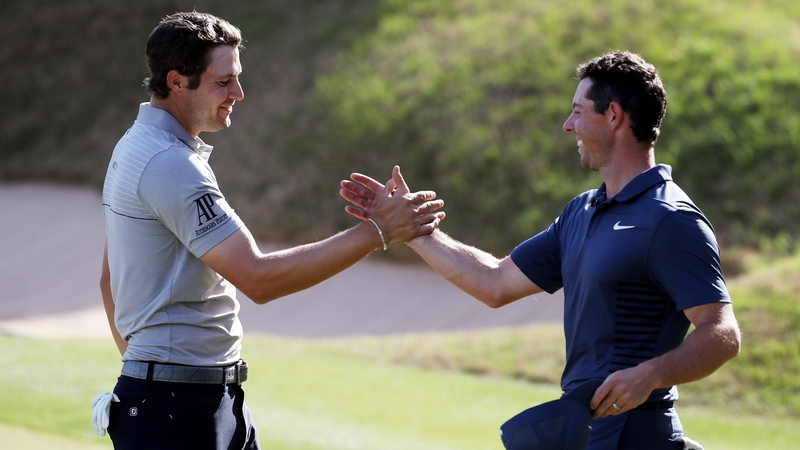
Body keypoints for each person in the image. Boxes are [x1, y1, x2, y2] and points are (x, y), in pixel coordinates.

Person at [341, 51, 741, 449]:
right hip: (582, 433)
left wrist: (650, 374)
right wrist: (412, 230)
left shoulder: (671, 219)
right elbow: (494, 282)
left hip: (638, 436)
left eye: (578, 112)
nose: (569, 126)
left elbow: (722, 333)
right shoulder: (581, 211)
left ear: (614, 116)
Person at [98, 11, 445, 450]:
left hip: (192, 398)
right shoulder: (169, 164)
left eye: (237, 78)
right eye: (223, 82)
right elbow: (258, 278)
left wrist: (143, 372)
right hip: (176, 408)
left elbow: (110, 282)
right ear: (176, 81)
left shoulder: (135, 146)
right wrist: (377, 232)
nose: (238, 93)